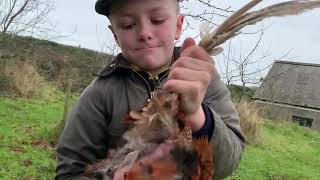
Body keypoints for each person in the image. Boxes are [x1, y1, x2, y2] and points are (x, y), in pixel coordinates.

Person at [55, 0, 245, 179]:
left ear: (178, 26)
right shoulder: (99, 94)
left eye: (157, 20)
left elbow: (228, 163)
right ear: (115, 35)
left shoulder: (204, 82)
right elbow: (69, 172)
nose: (144, 33)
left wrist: (198, 116)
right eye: (128, 25)